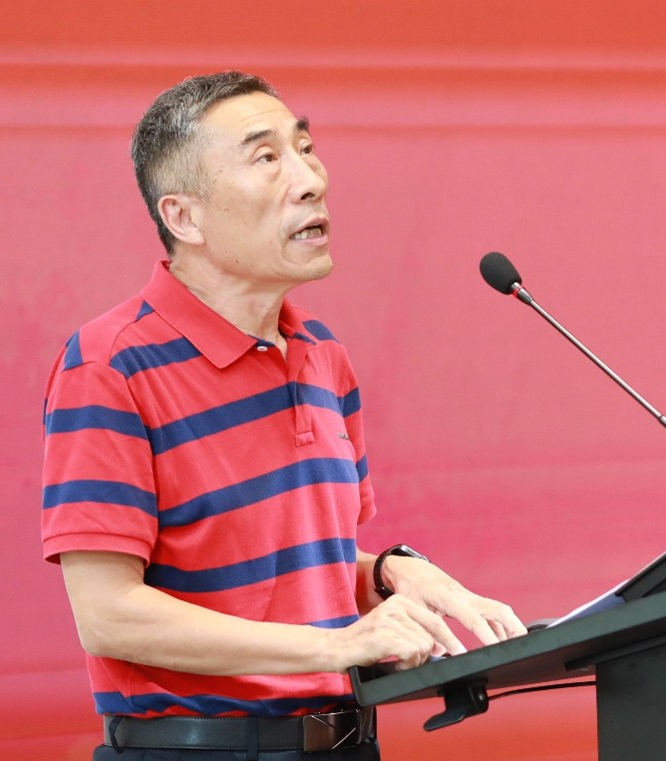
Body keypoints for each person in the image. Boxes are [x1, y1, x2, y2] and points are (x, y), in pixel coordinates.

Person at [41, 71, 527, 761]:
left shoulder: (322, 354)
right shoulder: (109, 365)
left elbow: (292, 575)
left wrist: (386, 574)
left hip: (346, 742)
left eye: (305, 148)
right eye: (266, 157)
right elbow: (109, 615)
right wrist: (335, 645)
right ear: (184, 218)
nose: (310, 180)